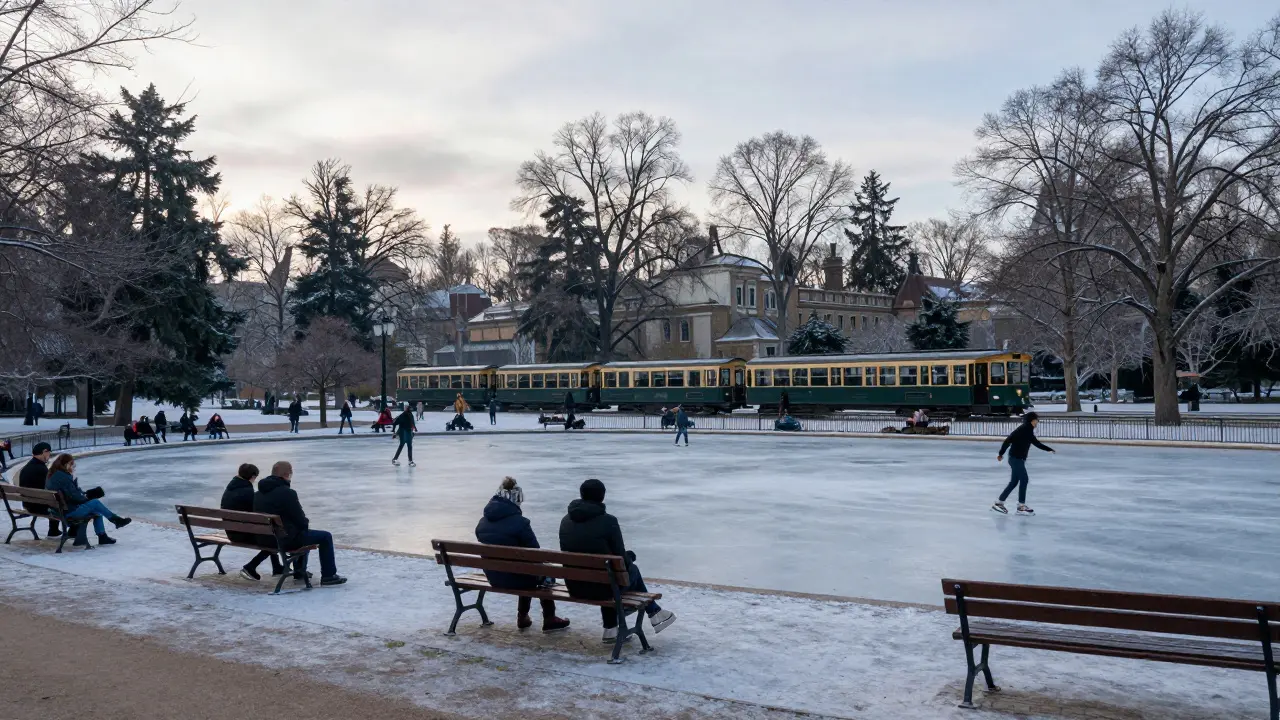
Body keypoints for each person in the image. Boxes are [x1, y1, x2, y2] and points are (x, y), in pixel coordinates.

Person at [559, 479, 675, 643]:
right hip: (602, 587)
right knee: (627, 571)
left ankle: (614, 629)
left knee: (607, 574)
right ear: (602, 497)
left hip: (575, 585)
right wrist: (630, 556)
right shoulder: (608, 521)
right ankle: (654, 612)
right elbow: (621, 559)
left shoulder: (566, 520)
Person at [474, 477, 571, 633]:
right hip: (518, 579)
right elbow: (536, 554)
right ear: (515, 501)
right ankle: (549, 618)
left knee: (525, 569)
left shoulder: (482, 523)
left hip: (494, 577)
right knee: (543, 571)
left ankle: (523, 617)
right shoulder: (521, 523)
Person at [253, 460, 346, 586]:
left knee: (296, 532)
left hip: (265, 539)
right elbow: (301, 521)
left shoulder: (258, 494)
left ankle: (299, 571)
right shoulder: (287, 493)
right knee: (325, 536)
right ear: (287, 474)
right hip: (283, 540)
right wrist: (304, 525)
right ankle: (328, 575)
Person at [45, 453, 131, 547]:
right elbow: (75, 497)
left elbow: (70, 493)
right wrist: (86, 497)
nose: (73, 467)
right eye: (72, 464)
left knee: (96, 509)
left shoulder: (52, 474)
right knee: (95, 503)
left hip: (55, 510)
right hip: (67, 512)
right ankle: (115, 522)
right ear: (66, 464)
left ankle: (104, 535)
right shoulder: (64, 477)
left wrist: (82, 493)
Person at [221, 463, 282, 581]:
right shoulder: (247, 491)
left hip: (232, 531)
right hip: (242, 534)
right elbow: (257, 513)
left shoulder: (230, 488)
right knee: (275, 538)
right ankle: (250, 567)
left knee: (270, 534)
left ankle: (277, 567)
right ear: (252, 477)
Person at [993, 412, 1055, 516]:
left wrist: (1048, 449)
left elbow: (1036, 443)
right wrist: (1001, 453)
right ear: (1032, 420)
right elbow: (1008, 440)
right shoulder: (1023, 429)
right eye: (1036, 419)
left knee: (1014, 482)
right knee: (1024, 479)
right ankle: (1021, 506)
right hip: (1015, 459)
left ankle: (999, 503)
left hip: (1017, 459)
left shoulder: (1028, 430)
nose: (1038, 422)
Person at [18, 442, 59, 537]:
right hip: (39, 507)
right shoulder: (42, 469)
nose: (49, 455)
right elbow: (51, 487)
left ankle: (54, 530)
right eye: (49, 452)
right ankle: (56, 530)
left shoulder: (27, 467)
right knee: (60, 502)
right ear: (44, 452)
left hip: (28, 504)